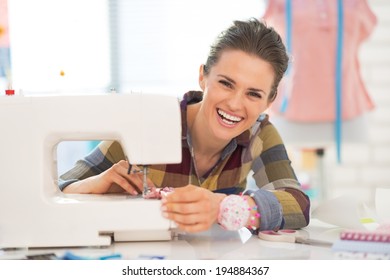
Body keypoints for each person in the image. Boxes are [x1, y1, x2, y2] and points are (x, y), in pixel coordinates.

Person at [59, 18, 310, 234]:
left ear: (269, 101)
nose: (235, 104)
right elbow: (58, 188)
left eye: (253, 94)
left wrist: (227, 207)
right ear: (203, 77)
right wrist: (92, 184)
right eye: (226, 83)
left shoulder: (260, 134)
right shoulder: (147, 124)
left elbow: (298, 205)